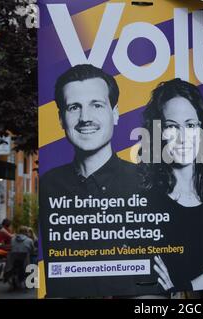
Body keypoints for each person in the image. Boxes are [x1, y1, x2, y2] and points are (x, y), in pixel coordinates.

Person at [39, 64, 140, 297]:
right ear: (61, 119)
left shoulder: (147, 184)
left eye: (96, 105)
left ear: (115, 114)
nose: (85, 118)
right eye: (74, 107)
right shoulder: (48, 185)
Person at [138, 78, 203, 294]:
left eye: (190, 125)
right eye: (171, 126)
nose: (182, 137)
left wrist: (182, 289)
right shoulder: (143, 195)